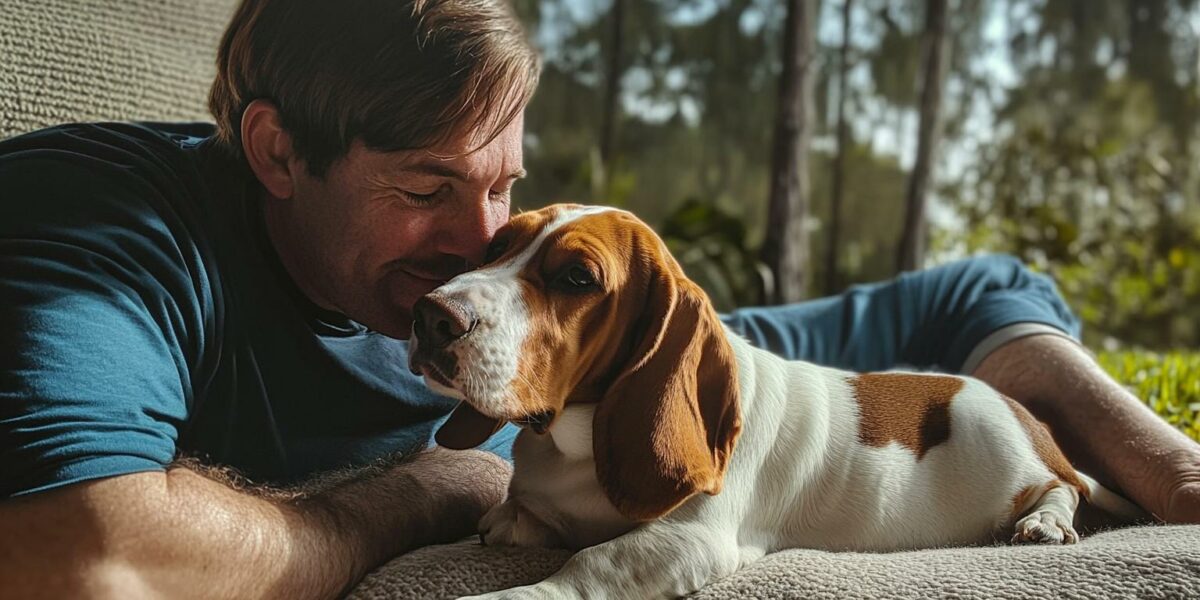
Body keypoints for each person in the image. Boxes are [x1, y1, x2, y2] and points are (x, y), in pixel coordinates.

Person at [0, 0, 1195, 597]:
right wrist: (420, 492)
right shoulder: (103, 224)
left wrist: (1173, 487)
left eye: (508, 192)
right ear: (274, 153)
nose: (478, 247)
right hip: (537, 414)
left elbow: (974, 295)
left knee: (979, 304)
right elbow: (74, 554)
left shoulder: (532, 291)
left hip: (627, 386)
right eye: (426, 189)